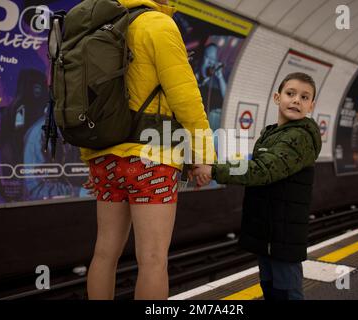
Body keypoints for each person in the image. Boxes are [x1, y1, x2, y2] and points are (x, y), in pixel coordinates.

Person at [80, 0, 213, 300]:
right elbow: (186, 97)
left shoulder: (104, 27)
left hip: (106, 159)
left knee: (103, 254)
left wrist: (89, 156)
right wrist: (204, 155)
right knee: (153, 259)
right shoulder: (159, 25)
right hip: (151, 159)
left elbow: (84, 101)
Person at [192, 72, 322, 300]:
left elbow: (262, 170)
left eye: (304, 97)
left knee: (287, 292)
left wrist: (212, 170)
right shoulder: (272, 134)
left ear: (311, 105)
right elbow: (255, 166)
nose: (296, 100)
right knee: (270, 288)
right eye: (290, 93)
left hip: (283, 234)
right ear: (276, 97)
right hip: (269, 230)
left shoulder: (299, 137)